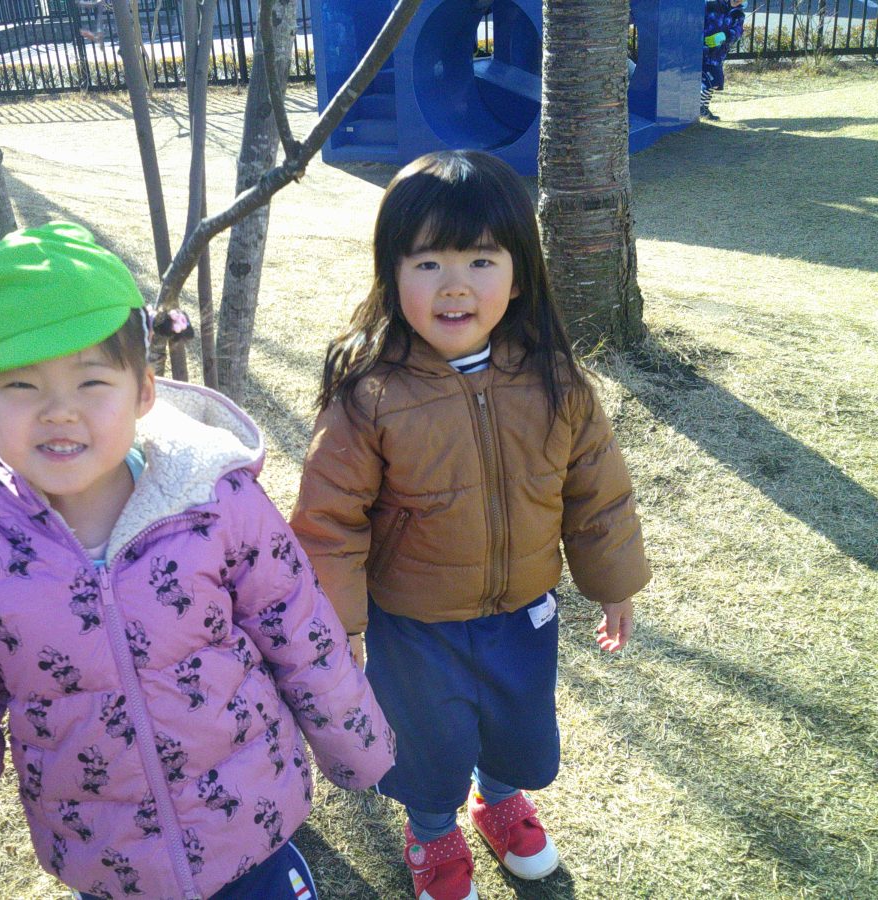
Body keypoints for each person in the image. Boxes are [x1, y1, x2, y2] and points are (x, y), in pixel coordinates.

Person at [0, 222, 394, 899]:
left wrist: (357, 746)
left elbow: (298, 627)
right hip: (107, 862)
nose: (59, 412)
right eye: (22, 386)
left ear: (144, 391)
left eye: (92, 381)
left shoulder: (216, 501)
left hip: (252, 827)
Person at [291, 152, 650, 900]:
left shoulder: (553, 377)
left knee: (517, 721)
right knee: (428, 740)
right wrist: (341, 623)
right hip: (414, 622)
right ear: (392, 274)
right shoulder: (369, 393)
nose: (454, 285)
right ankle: (431, 833)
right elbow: (329, 523)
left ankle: (501, 801)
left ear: (518, 275)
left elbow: (598, 491)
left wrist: (615, 582)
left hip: (523, 608)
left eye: (481, 260)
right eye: (428, 262)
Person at [702, 0, 747, 120]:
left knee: (715, 81)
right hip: (701, 50)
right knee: (709, 81)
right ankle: (700, 107)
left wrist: (725, 36)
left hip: (717, 53)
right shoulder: (712, 4)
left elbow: (737, 31)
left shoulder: (738, 14)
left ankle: (703, 107)